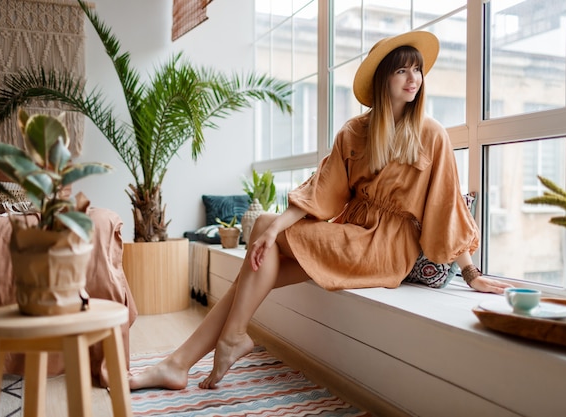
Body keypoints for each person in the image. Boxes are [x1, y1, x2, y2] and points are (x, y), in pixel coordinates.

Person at [128, 30, 512, 391]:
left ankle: (210, 348)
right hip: (351, 235)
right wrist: (272, 231)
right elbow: (321, 191)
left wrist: (471, 272)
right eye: (402, 70)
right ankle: (187, 360)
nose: (413, 79)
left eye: (417, 70)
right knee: (258, 265)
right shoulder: (354, 132)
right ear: (384, 78)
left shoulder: (432, 135)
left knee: (263, 238)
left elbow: (445, 206)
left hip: (385, 249)